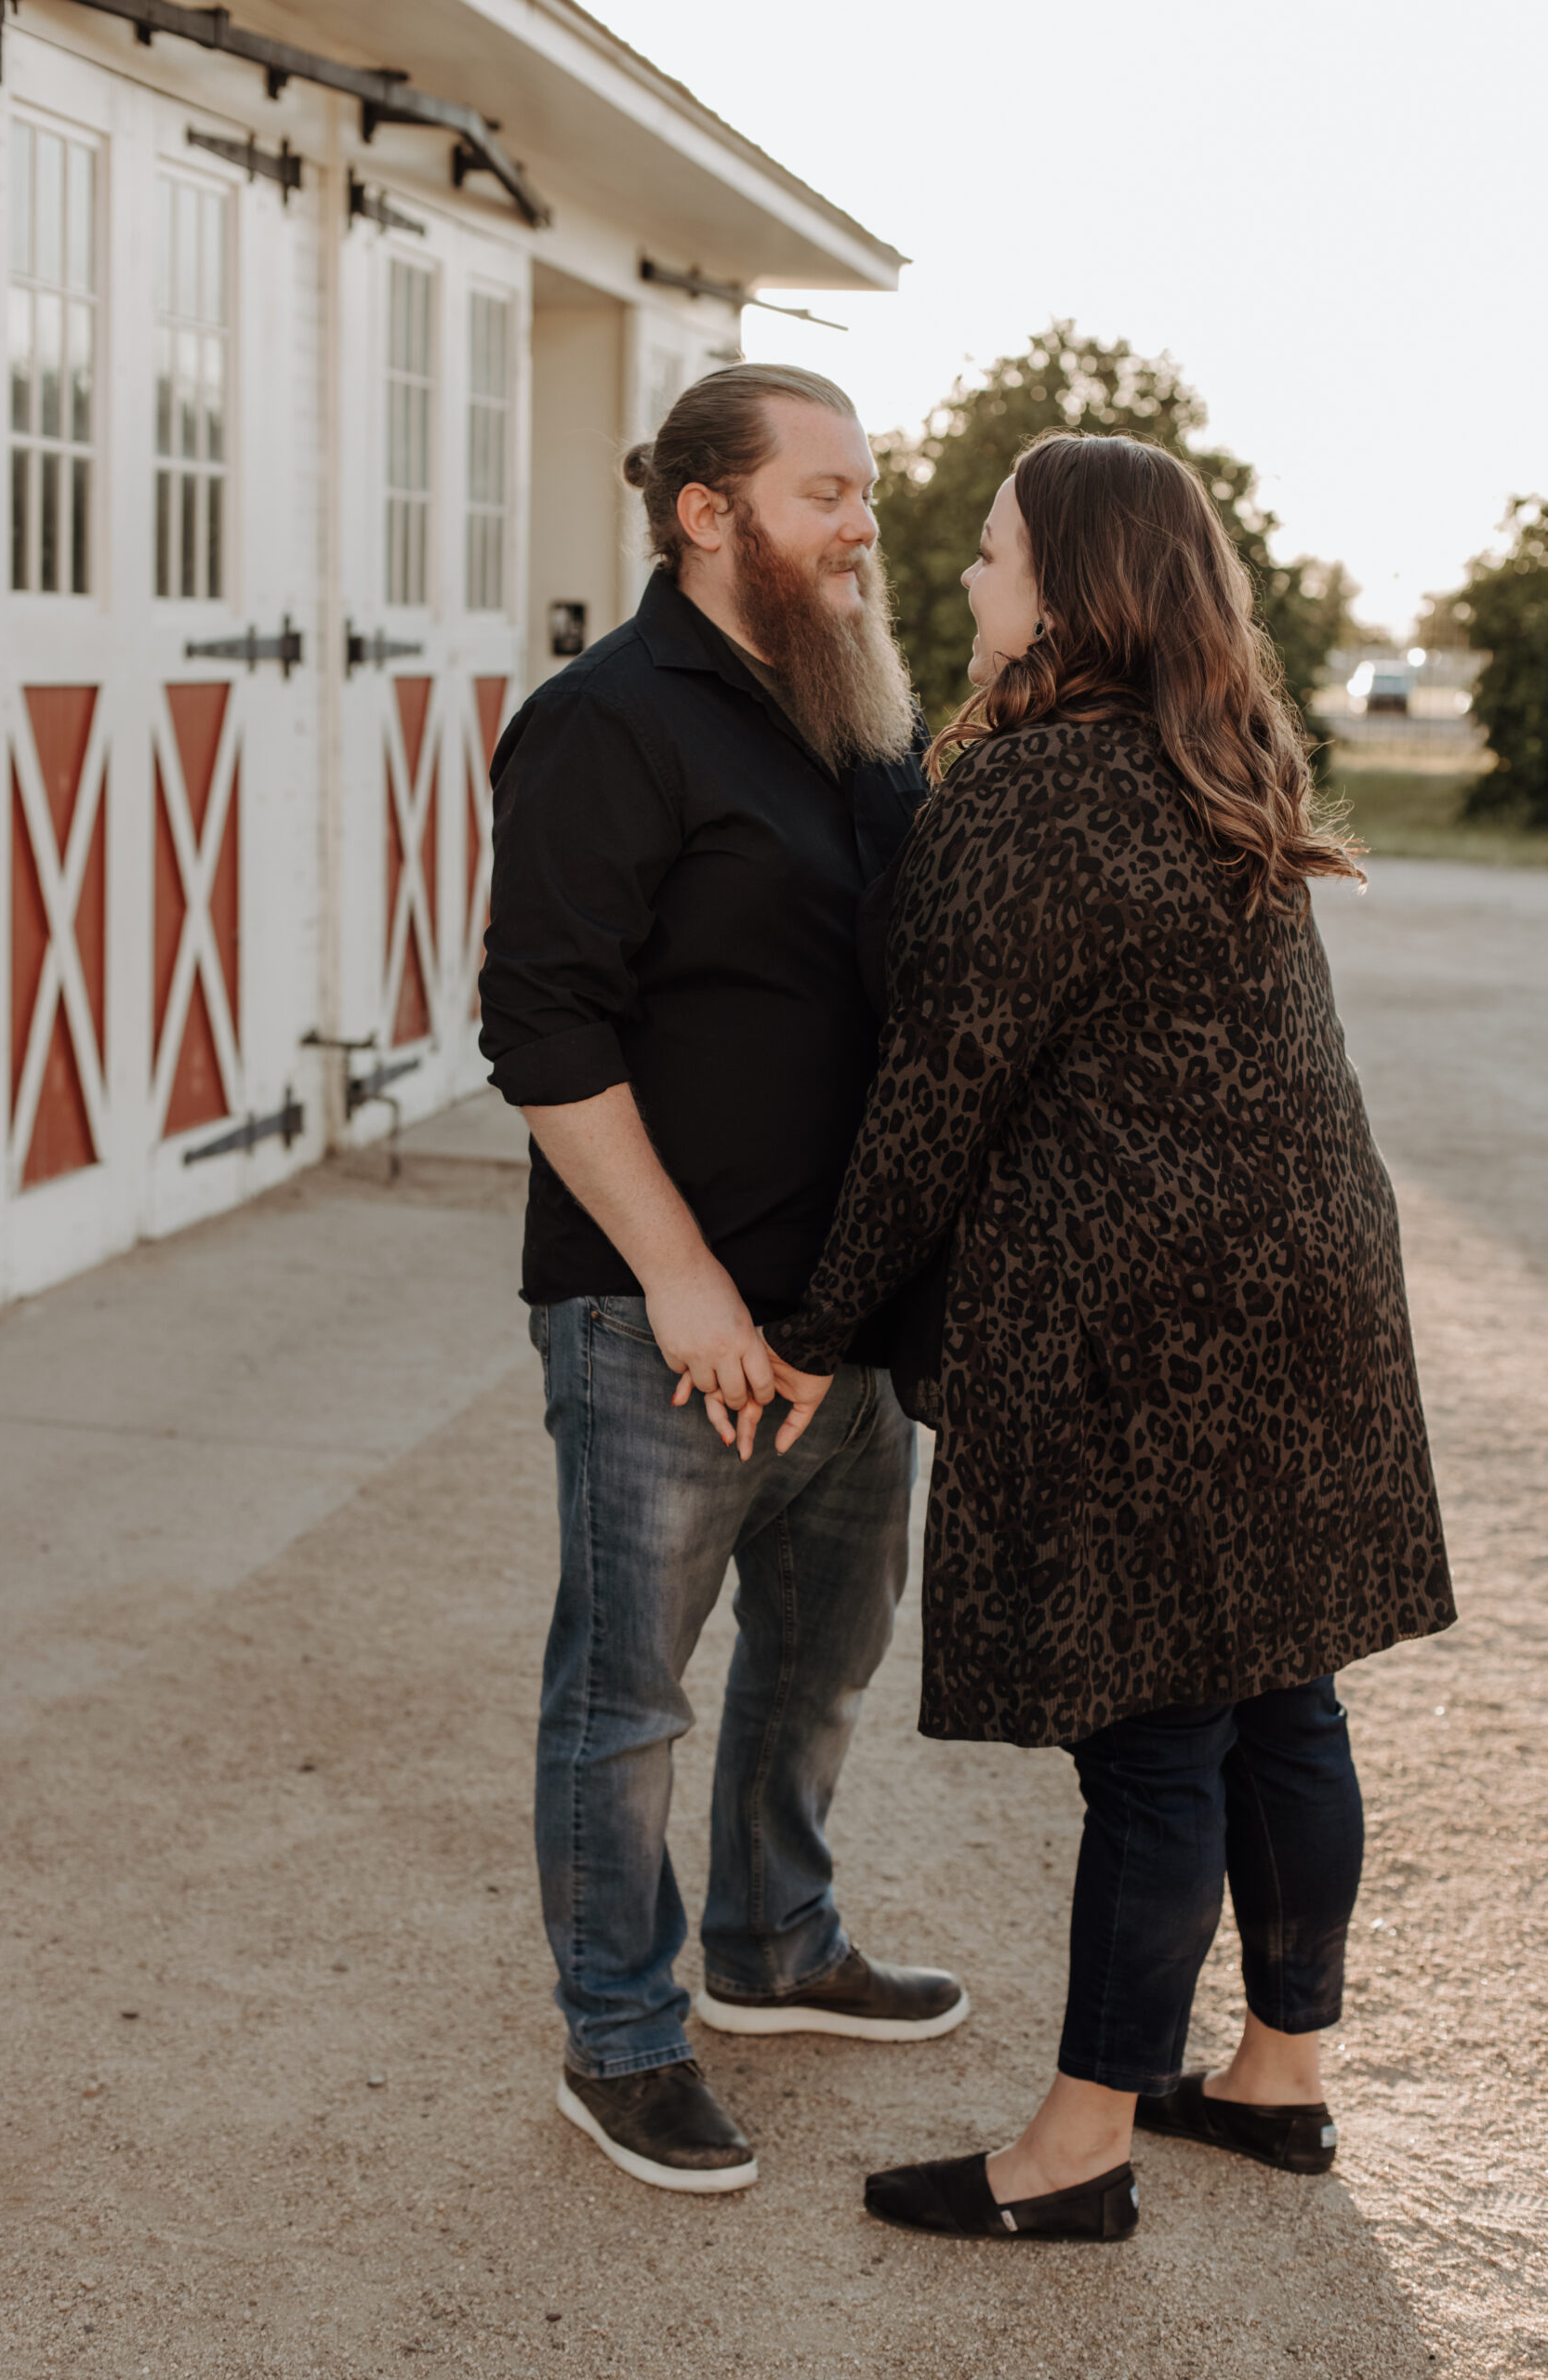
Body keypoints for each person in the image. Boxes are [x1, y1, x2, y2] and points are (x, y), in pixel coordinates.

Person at [752, 430, 1455, 2242]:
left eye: (987, 558)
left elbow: (931, 1098)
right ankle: (1277, 2072)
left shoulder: (1031, 789)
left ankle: (1072, 2149)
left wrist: (819, 1317)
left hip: (1150, 1314)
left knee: (1153, 1732)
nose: (964, 584)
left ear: (1066, 587)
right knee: (1278, 1679)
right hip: (1312, 1277)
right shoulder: (1219, 749)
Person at [478, 364, 968, 2198]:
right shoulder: (604, 723)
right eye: (827, 491)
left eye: (866, 492)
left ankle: (777, 1941)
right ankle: (621, 2036)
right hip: (659, 1319)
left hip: (843, 1314)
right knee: (627, 1698)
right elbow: (537, 1031)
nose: (862, 525)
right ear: (707, 510)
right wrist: (682, 1282)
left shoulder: (850, 716)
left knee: (820, 1659)